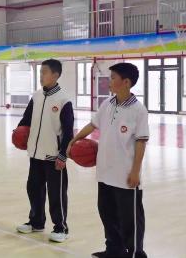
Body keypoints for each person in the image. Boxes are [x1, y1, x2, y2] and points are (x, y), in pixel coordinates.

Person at [69, 63, 149, 258]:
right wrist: (75, 139)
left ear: (126, 82)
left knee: (130, 218)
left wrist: (135, 171)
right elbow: (92, 124)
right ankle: (114, 250)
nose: (109, 81)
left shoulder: (139, 110)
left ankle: (137, 253)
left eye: (113, 77)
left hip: (125, 175)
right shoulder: (107, 104)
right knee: (107, 213)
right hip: (105, 172)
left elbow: (141, 142)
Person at [15, 59, 74, 243]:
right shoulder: (36, 96)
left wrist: (63, 154)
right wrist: (18, 133)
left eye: (44, 73)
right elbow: (26, 120)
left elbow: (68, 131)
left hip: (54, 157)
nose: (41, 76)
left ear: (55, 75)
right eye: (40, 72)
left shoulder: (64, 100)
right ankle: (36, 222)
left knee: (56, 194)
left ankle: (61, 228)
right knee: (33, 189)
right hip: (35, 154)